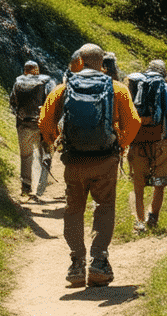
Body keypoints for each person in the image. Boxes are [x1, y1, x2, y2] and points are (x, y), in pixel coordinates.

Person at [39, 43, 141, 288]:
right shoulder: (117, 89)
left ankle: (76, 264)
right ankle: (99, 262)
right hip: (106, 159)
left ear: (80, 62)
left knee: (74, 210)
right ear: (103, 64)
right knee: (104, 207)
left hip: (74, 161)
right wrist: (121, 145)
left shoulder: (63, 89)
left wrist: (56, 142)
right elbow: (134, 123)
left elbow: (44, 121)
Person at [126, 60, 167, 233]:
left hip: (139, 141)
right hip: (164, 142)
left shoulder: (135, 87)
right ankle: (153, 217)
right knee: (159, 182)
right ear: (164, 73)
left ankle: (139, 222)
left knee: (138, 184)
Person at [8, 60, 55, 202]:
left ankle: (26, 187)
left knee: (26, 155)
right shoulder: (46, 82)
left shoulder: (18, 83)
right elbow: (50, 102)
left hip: (23, 124)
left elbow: (13, 102)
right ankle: (41, 186)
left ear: (24, 70)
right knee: (45, 154)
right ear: (37, 70)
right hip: (41, 124)